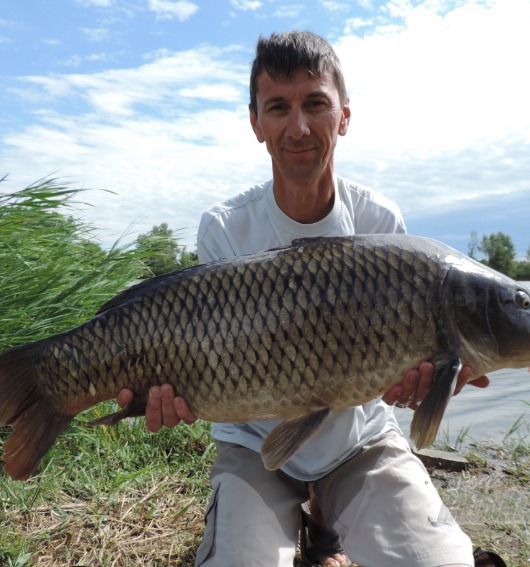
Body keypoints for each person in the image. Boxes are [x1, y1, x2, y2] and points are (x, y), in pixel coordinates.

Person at [118, 31, 495, 567]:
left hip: (358, 442)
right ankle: (289, 514)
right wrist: (172, 391)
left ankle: (324, 522)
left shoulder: (381, 225)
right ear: (256, 124)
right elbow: (202, 359)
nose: (298, 127)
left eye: (315, 104)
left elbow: (402, 381)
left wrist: (418, 387)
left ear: (343, 115)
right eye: (278, 108)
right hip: (256, 444)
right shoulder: (225, 229)